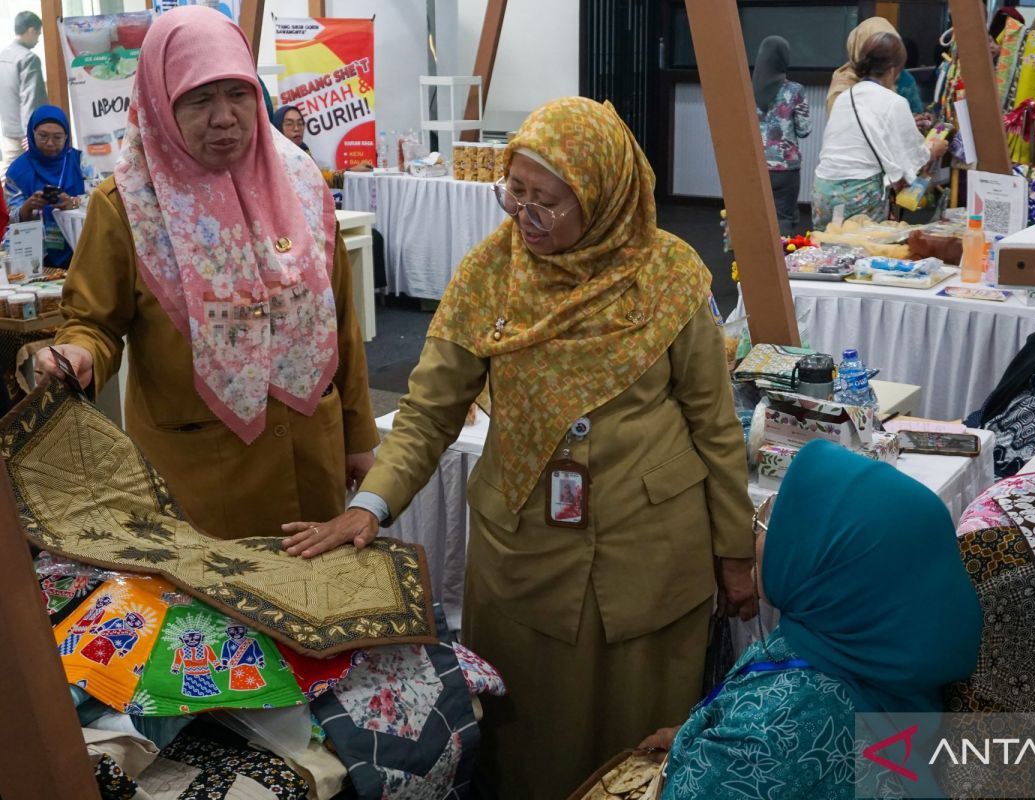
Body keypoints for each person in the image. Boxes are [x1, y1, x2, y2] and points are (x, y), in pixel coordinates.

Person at [281, 96, 757, 799]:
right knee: (530, 746)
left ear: (602, 196)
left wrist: (736, 553)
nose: (524, 216)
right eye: (516, 193)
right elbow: (428, 410)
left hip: (653, 558)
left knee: (642, 747)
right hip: (527, 558)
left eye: (548, 202)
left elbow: (715, 426)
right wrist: (372, 505)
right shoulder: (488, 275)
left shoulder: (670, 276)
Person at [34, 6, 378, 540]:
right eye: (199, 98)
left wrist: (359, 435)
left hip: (315, 462)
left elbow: (340, 317)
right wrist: (79, 352)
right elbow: (94, 323)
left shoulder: (302, 181)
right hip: (205, 479)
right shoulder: (129, 204)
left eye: (238, 93)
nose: (224, 117)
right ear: (159, 101)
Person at [642, 440, 983, 799]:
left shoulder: (772, 730)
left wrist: (710, 755)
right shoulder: (865, 653)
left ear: (831, 568)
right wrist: (694, 739)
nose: (758, 535)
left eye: (772, 523)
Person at [812, 32, 949, 230]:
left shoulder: (845, 96)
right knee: (861, 254)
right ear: (894, 69)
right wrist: (933, 150)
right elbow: (914, 155)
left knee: (827, 251)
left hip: (823, 189)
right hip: (859, 193)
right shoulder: (894, 102)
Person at [5, 105, 93, 268]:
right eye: (43, 136)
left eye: (58, 137)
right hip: (35, 257)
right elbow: (11, 218)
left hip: (82, 249)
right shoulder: (17, 171)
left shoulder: (79, 161)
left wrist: (72, 203)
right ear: (32, 134)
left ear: (67, 136)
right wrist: (28, 207)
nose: (50, 143)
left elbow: (100, 200)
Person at [752, 36, 812, 236]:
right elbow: (805, 130)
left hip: (755, 166)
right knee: (784, 218)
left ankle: (749, 264)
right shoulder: (794, 90)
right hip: (785, 169)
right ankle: (781, 265)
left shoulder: (746, 89)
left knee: (755, 218)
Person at [0, 12, 47, 174]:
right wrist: (32, 133)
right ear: (31, 30)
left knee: (9, 175)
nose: (38, 39)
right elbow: (30, 100)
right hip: (25, 134)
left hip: (8, 129)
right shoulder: (29, 59)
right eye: (38, 34)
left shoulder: (3, 55)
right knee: (31, 176)